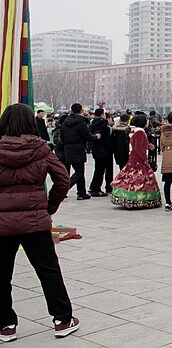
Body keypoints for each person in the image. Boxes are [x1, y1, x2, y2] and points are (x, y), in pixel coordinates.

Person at [0, 104, 80, 341]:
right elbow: (63, 180)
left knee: (1, 275)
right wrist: (48, 207)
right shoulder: (41, 148)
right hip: (35, 221)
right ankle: (62, 320)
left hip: (2, 223)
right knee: (48, 271)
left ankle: (5, 325)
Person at [110, 114, 162, 209]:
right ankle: (138, 199)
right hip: (138, 159)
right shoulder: (140, 132)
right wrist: (145, 158)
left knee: (129, 177)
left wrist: (147, 145)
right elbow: (138, 147)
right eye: (146, 120)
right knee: (139, 179)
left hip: (133, 158)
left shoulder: (134, 130)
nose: (147, 122)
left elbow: (136, 144)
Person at [61, 104, 93, 201]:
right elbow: (88, 137)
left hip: (67, 148)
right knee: (79, 172)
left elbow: (62, 137)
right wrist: (95, 137)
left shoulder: (65, 122)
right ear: (81, 110)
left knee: (78, 171)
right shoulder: (81, 123)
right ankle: (65, 188)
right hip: (78, 149)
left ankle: (81, 193)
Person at [88, 108, 114, 197]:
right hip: (103, 150)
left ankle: (93, 187)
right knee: (100, 170)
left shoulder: (92, 123)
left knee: (98, 169)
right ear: (102, 115)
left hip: (96, 150)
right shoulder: (102, 124)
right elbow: (105, 138)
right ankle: (96, 189)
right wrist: (110, 147)